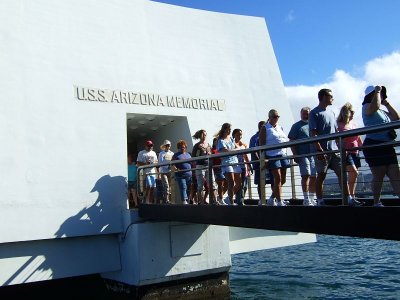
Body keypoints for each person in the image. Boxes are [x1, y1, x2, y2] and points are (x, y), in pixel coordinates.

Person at [309, 88, 352, 206]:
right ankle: (320, 200)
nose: (333, 98)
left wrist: (339, 146)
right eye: (330, 96)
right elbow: (313, 133)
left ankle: (348, 199)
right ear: (323, 97)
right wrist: (319, 150)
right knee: (321, 175)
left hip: (334, 150)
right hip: (322, 151)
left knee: (341, 173)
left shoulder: (332, 112)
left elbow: (336, 131)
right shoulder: (314, 113)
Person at [362, 85, 400, 207]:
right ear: (371, 95)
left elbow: (396, 118)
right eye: (379, 93)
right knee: (379, 175)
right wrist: (377, 91)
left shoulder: (381, 111)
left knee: (396, 174)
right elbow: (375, 105)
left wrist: (387, 103)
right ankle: (376, 202)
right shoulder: (366, 107)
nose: (381, 95)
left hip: (387, 145)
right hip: (374, 146)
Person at [259, 109, 290, 206]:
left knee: (283, 179)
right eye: (274, 117)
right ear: (270, 117)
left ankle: (272, 198)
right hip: (272, 155)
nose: (276, 118)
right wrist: (264, 158)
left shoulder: (280, 127)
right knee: (278, 177)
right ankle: (279, 200)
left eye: (278, 116)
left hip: (282, 154)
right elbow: (262, 143)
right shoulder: (265, 128)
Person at [288, 107, 317, 206]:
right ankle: (306, 198)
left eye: (307, 113)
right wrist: (295, 154)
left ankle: (312, 197)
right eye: (304, 113)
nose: (305, 115)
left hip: (313, 154)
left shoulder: (313, 125)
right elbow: (291, 140)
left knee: (314, 176)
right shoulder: (296, 126)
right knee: (306, 175)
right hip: (302, 154)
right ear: (301, 114)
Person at [337, 102, 363, 203]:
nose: (353, 114)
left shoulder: (354, 124)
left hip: (355, 152)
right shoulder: (339, 125)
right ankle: (349, 197)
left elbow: (358, 137)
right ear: (347, 112)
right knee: (353, 172)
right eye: (352, 112)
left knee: (354, 175)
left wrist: (362, 147)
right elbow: (336, 139)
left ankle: (352, 196)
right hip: (346, 152)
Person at [249, 121, 274, 205]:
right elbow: (254, 150)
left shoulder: (268, 135)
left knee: (273, 181)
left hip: (269, 162)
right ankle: (261, 199)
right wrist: (261, 160)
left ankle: (273, 198)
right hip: (259, 164)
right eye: (261, 126)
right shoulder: (254, 138)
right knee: (260, 182)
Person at [216, 123, 241, 205]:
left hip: (235, 161)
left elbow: (237, 148)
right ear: (224, 129)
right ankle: (231, 201)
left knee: (238, 183)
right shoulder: (221, 141)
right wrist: (234, 150)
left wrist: (234, 150)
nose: (230, 131)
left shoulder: (231, 139)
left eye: (230, 129)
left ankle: (225, 198)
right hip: (227, 163)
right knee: (231, 182)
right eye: (228, 129)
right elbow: (225, 151)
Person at [192, 129, 217, 204]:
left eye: (205, 134)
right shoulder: (197, 145)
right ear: (200, 135)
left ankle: (215, 201)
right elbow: (193, 157)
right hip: (200, 166)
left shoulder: (208, 145)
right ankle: (202, 202)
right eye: (203, 134)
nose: (204, 136)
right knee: (200, 185)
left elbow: (211, 155)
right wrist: (200, 155)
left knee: (212, 184)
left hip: (208, 166)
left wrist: (210, 155)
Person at [232, 128, 252, 205]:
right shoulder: (232, 144)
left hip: (243, 166)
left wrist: (249, 165)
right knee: (239, 184)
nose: (240, 136)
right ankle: (235, 199)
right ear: (234, 135)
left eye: (241, 135)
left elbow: (245, 156)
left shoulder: (243, 144)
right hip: (236, 166)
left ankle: (240, 200)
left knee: (244, 185)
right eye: (238, 134)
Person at [172, 140, 193, 205]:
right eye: (181, 147)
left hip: (189, 174)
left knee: (189, 188)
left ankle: (188, 200)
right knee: (183, 187)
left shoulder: (188, 154)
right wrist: (175, 168)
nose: (183, 147)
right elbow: (172, 164)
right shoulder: (176, 155)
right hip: (180, 175)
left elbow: (192, 163)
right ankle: (184, 201)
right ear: (178, 147)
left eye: (184, 146)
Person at [211, 137, 228, 205]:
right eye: (216, 142)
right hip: (217, 170)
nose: (217, 143)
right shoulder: (213, 150)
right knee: (220, 184)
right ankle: (221, 199)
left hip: (223, 168)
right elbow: (211, 160)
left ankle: (219, 197)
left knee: (227, 184)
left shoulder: (220, 149)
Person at [158, 139, 174, 204]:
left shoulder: (172, 153)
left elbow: (173, 161)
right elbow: (160, 162)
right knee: (166, 185)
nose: (168, 146)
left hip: (170, 171)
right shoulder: (161, 153)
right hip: (163, 171)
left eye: (169, 145)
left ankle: (169, 199)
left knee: (170, 186)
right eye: (167, 145)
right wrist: (167, 166)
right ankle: (166, 199)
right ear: (164, 146)